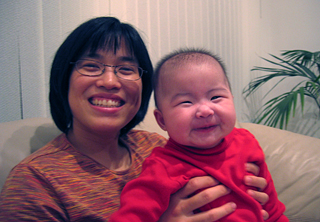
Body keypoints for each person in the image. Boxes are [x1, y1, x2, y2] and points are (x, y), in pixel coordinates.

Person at [0, 17, 269, 221]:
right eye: (91, 66)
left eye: (126, 69)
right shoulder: (34, 182)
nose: (109, 81)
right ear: (64, 78)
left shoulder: (155, 146)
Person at [109, 48, 288, 222]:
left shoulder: (247, 142)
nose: (205, 110)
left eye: (216, 97)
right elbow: (132, 215)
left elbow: (273, 210)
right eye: (186, 102)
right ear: (161, 120)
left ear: (232, 100)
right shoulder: (162, 167)